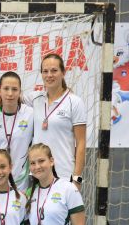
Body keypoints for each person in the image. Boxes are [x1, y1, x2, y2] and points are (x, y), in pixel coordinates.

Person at [28, 53, 87, 188]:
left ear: (63, 73)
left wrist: (77, 179)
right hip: (37, 176)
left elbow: (81, 143)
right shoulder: (35, 99)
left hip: (64, 175)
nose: (49, 75)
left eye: (54, 70)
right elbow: (8, 99)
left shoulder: (74, 102)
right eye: (45, 71)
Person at [0, 72, 34, 192]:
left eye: (14, 89)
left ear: (20, 91)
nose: (10, 93)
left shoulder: (31, 114)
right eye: (6, 89)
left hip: (21, 184)